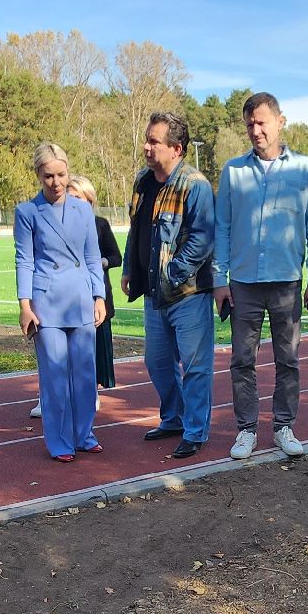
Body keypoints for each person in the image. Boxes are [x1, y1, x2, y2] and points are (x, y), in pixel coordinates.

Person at [214, 92, 308, 460]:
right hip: (244, 283)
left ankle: (283, 426)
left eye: (262, 122)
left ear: (280, 121)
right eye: (250, 124)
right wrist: (219, 279)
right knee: (242, 361)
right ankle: (246, 430)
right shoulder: (234, 171)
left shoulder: (304, 169)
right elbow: (223, 227)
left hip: (287, 282)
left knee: (287, 360)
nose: (256, 130)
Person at [123, 112, 215, 460]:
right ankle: (174, 418)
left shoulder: (195, 185)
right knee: (157, 362)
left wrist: (172, 273)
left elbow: (202, 240)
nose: (146, 147)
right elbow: (136, 229)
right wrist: (133, 267)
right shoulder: (143, 182)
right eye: (146, 139)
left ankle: (195, 431)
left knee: (194, 366)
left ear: (176, 148)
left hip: (187, 292)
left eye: (154, 141)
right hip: (152, 293)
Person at [14, 143, 106, 462]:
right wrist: (25, 305)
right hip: (46, 302)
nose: (56, 182)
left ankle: (84, 434)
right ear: (38, 175)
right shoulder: (27, 212)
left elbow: (93, 256)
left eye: (61, 174)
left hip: (81, 298)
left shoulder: (83, 209)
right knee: (54, 376)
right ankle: (59, 441)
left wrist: (99, 296)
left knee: (83, 372)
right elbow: (24, 260)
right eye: (48, 176)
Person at [69, 175, 123, 389]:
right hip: (69, 296)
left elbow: (116, 257)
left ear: (89, 200)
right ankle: (53, 394)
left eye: (78, 197)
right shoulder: (59, 225)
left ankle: (93, 390)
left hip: (96, 294)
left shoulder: (100, 224)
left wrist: (101, 262)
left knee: (97, 348)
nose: (73, 202)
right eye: (69, 197)